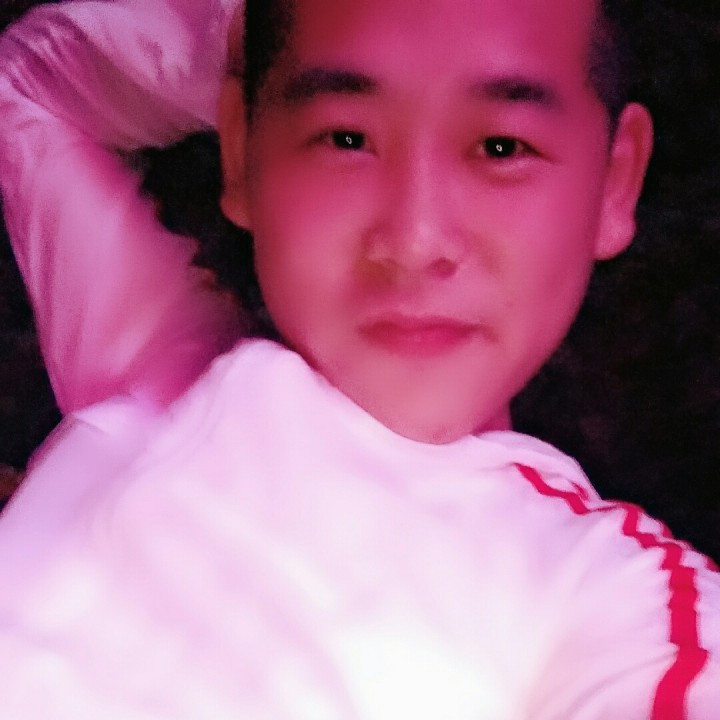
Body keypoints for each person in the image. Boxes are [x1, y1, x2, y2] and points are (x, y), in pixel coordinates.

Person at [0, 0, 718, 718]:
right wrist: (256, 44)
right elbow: (32, 87)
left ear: (614, 181)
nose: (415, 240)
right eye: (346, 138)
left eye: (502, 148)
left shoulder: (610, 593)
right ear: (241, 151)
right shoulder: (166, 374)